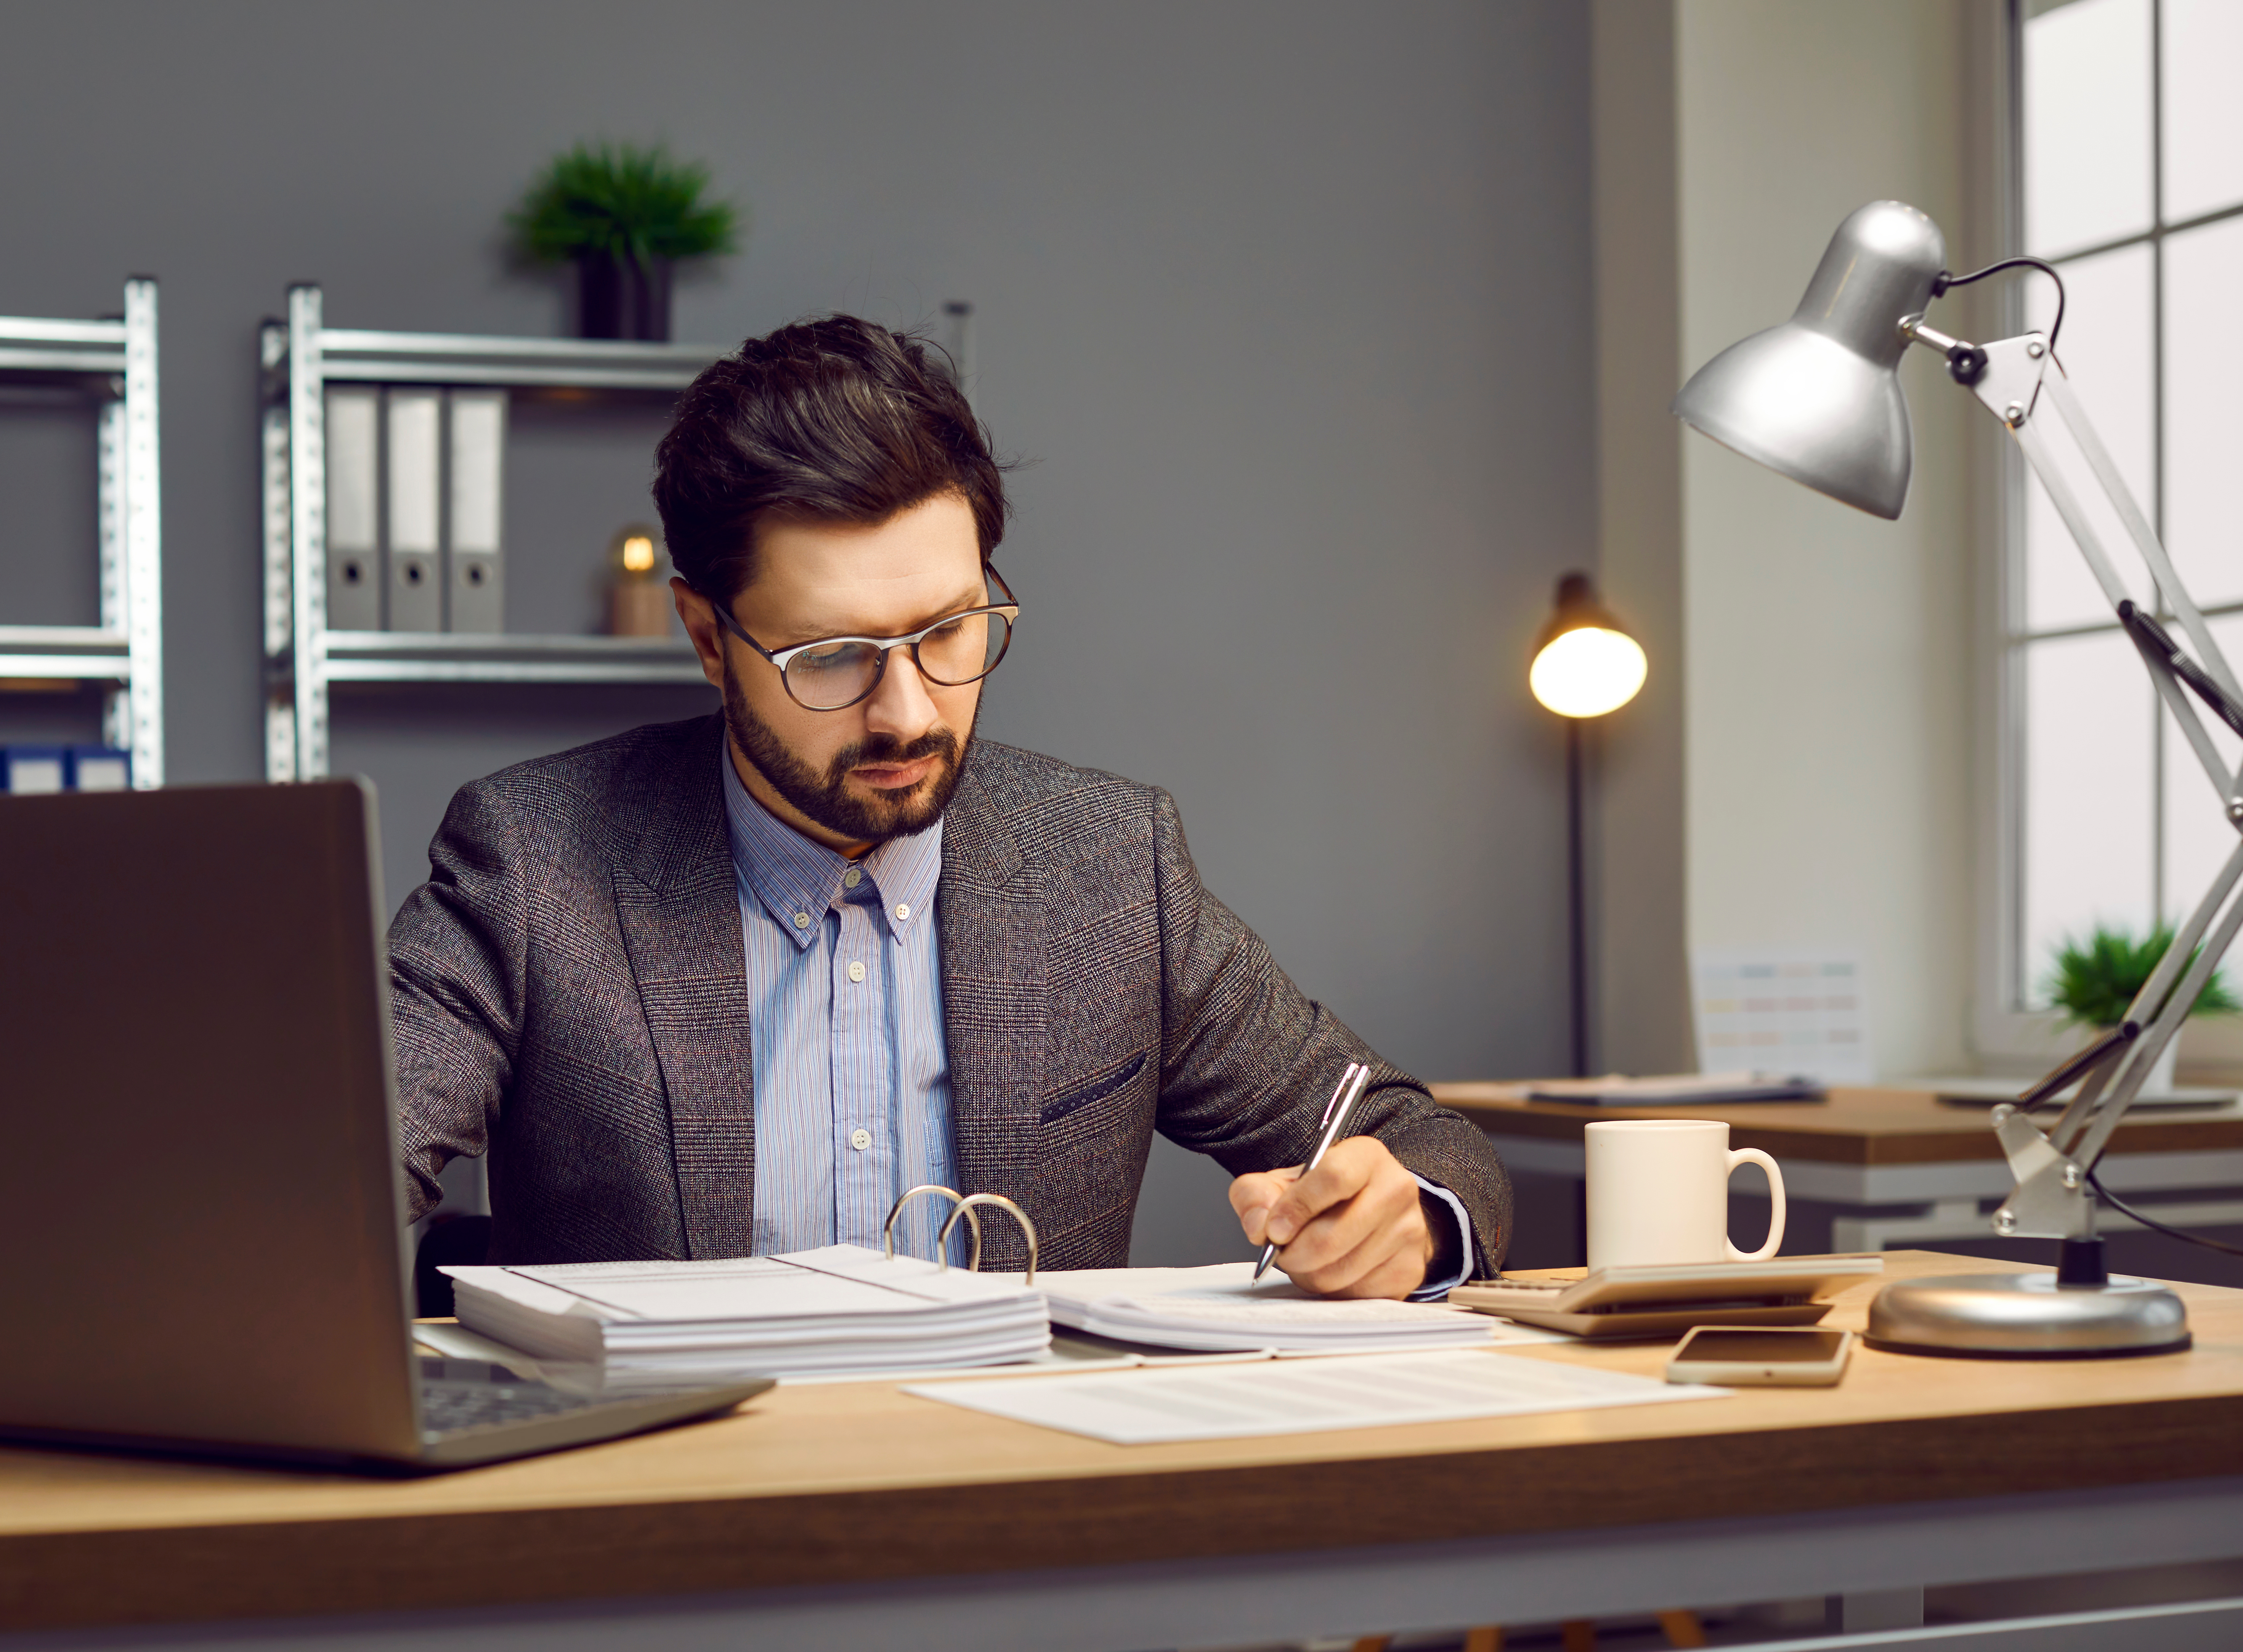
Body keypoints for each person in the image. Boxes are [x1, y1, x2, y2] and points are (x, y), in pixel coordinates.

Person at [389, 315, 1508, 1298]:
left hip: (1016, 1507)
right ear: (704, 638)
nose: (907, 713)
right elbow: (329, 1174)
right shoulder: (534, 862)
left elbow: (1415, 1140)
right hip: (676, 1506)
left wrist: (1402, 1214)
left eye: (947, 632)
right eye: (830, 658)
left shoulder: (1111, 868)